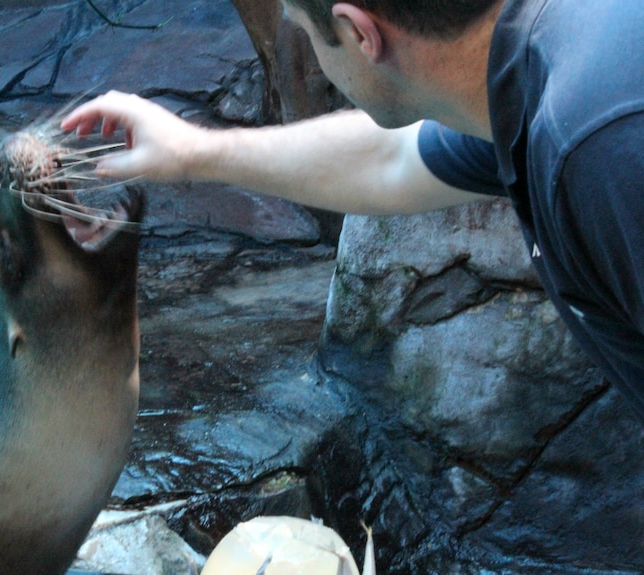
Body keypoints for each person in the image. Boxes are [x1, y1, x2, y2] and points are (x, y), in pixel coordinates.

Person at [61, 0, 644, 421]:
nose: (312, 55)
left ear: (361, 33)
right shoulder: (540, 58)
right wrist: (194, 151)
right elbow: (388, 159)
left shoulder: (600, 151)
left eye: (305, 33)